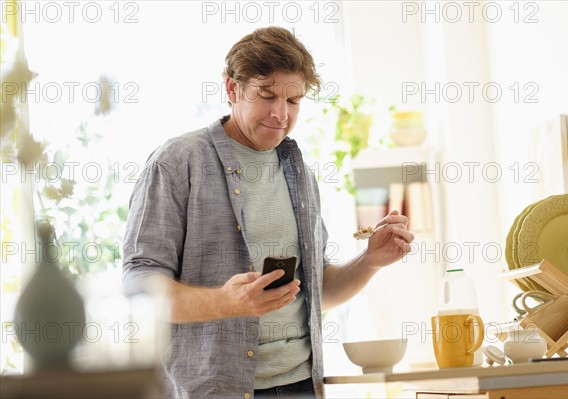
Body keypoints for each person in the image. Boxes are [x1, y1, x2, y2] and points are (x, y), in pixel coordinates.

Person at [122, 26, 414, 399]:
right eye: (267, 95)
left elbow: (317, 291)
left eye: (293, 101)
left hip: (302, 387)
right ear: (232, 89)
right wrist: (225, 303)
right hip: (214, 389)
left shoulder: (300, 173)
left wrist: (371, 260)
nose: (281, 114)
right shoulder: (178, 162)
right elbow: (139, 286)